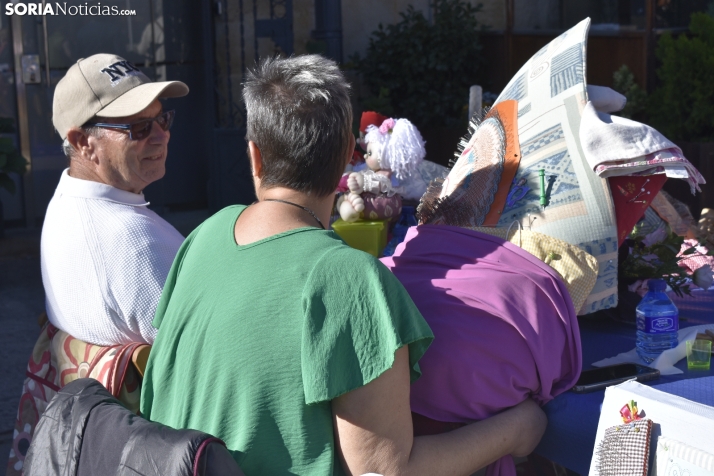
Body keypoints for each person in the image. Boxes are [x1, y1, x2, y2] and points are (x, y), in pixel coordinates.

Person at [140, 55, 546, 475]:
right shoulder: (349, 280)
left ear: (254, 157)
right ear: (344, 161)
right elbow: (387, 471)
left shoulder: (204, 236)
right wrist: (517, 428)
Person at [42, 53, 188, 346]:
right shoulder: (133, 240)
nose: (162, 136)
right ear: (82, 143)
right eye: (139, 127)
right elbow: (209, 354)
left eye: (162, 119)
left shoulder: (65, 199)